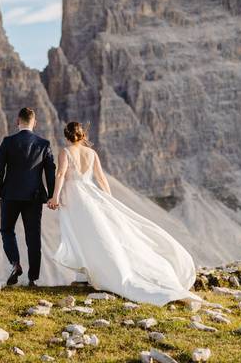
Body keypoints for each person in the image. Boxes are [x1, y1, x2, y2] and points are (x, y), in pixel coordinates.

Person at [49, 121, 196, 305]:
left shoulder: (65, 152)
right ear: (83, 136)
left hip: (75, 197)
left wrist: (55, 197)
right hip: (91, 195)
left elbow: (61, 174)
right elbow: (101, 178)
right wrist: (109, 201)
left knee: (82, 234)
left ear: (66, 136)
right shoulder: (92, 153)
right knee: (94, 234)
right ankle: (88, 274)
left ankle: (88, 274)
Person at [0, 107, 55, 286]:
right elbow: (50, 172)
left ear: (17, 121)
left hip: (10, 194)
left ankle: (15, 263)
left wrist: (0, 190)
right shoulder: (44, 144)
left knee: (6, 230)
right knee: (33, 237)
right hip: (34, 197)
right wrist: (51, 195)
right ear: (34, 123)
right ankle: (33, 279)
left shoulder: (8, 142)